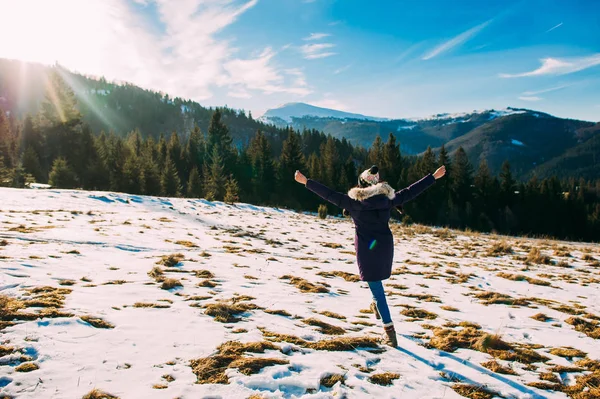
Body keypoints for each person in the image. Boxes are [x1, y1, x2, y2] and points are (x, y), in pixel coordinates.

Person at [294, 165, 446, 346]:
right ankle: (376, 306)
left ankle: (389, 333)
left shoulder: (354, 203)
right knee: (377, 284)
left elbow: (329, 194)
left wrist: (306, 182)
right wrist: (433, 177)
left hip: (367, 250)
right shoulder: (388, 200)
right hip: (385, 247)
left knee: (377, 289)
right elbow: (411, 191)